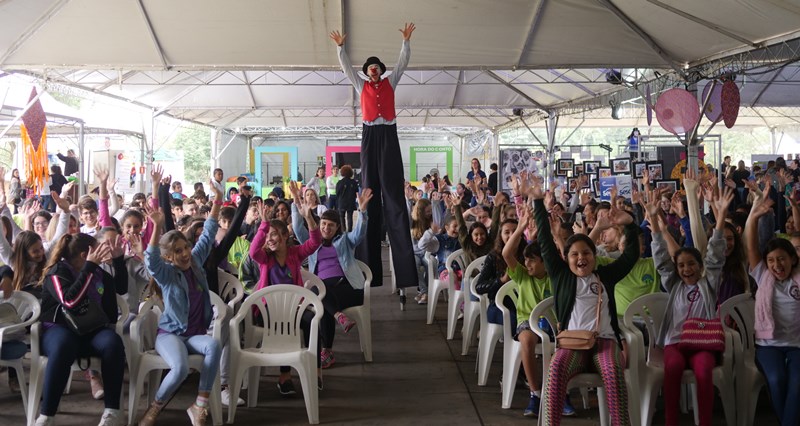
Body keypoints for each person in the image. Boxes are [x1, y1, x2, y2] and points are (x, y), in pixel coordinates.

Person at [530, 177, 638, 426]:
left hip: (605, 343)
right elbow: (545, 243)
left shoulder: (605, 276)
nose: (581, 258)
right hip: (573, 343)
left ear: (594, 256)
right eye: (574, 254)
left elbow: (630, 256)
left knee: (613, 373)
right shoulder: (561, 276)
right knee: (555, 373)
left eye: (586, 253)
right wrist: (537, 201)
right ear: (566, 258)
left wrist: (630, 225)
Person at [331, 23, 417, 291]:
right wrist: (341, 48)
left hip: (389, 134)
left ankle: (405, 274)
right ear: (367, 72)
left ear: (381, 70)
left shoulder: (391, 81)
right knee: (369, 190)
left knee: (392, 194)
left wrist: (405, 42)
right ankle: (370, 271)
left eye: (377, 67)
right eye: (370, 68)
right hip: (369, 134)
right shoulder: (361, 86)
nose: (374, 70)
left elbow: (402, 64)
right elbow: (346, 69)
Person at [647, 181, 732, 426]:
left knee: (704, 371)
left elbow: (715, 255)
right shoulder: (674, 286)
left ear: (700, 267)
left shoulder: (709, 283)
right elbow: (661, 259)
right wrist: (654, 222)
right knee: (672, 370)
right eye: (682, 265)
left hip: (703, 343)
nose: (687, 269)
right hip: (675, 343)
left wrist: (721, 216)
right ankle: (671, 420)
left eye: (692, 264)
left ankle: (704, 421)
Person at [140, 193, 223, 426]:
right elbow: (151, 260)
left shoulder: (195, 262)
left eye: (186, 247)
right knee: (181, 368)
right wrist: (156, 227)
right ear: (169, 256)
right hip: (170, 334)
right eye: (178, 251)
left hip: (194, 334)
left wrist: (217, 200)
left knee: (214, 345)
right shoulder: (166, 274)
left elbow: (208, 234)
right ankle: (154, 409)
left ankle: (200, 405)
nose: (185, 253)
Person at [36, 233, 127, 426]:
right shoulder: (57, 272)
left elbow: (121, 288)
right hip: (60, 328)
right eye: (97, 248)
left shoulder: (99, 273)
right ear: (86, 254)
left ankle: (112, 412)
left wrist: (119, 260)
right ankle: (47, 415)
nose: (103, 251)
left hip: (93, 329)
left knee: (113, 343)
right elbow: (70, 301)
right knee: (63, 346)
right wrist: (90, 267)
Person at [293, 187, 372, 369]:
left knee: (319, 295)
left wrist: (363, 211)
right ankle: (336, 322)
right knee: (321, 299)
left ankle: (326, 349)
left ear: (337, 228)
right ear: (319, 225)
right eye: (323, 224)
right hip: (326, 292)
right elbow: (298, 228)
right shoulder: (313, 243)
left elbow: (359, 233)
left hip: (348, 288)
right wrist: (297, 202)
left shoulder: (345, 240)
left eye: (331, 225)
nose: (326, 228)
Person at [249, 198, 323, 394]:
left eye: (273, 235)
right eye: (267, 236)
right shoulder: (265, 259)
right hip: (267, 313)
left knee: (313, 321)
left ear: (285, 235)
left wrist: (309, 218)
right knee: (284, 324)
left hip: (293, 311)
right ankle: (285, 376)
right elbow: (253, 251)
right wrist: (263, 226)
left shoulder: (295, 254)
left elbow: (315, 241)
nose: (269, 239)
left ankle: (315, 370)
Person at [745, 183, 800, 426]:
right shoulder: (762, 275)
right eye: (771, 261)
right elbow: (751, 246)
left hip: (797, 345)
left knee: (797, 383)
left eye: (782, 259)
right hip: (768, 345)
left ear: (793, 260)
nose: (777, 265)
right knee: (777, 379)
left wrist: (795, 208)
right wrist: (753, 216)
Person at [336, 165, 358, 232]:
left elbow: (337, 193)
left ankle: (343, 231)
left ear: (342, 172)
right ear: (351, 173)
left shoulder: (339, 182)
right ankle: (350, 231)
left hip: (342, 202)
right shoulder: (354, 182)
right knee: (350, 217)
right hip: (351, 202)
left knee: (341, 217)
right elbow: (356, 192)